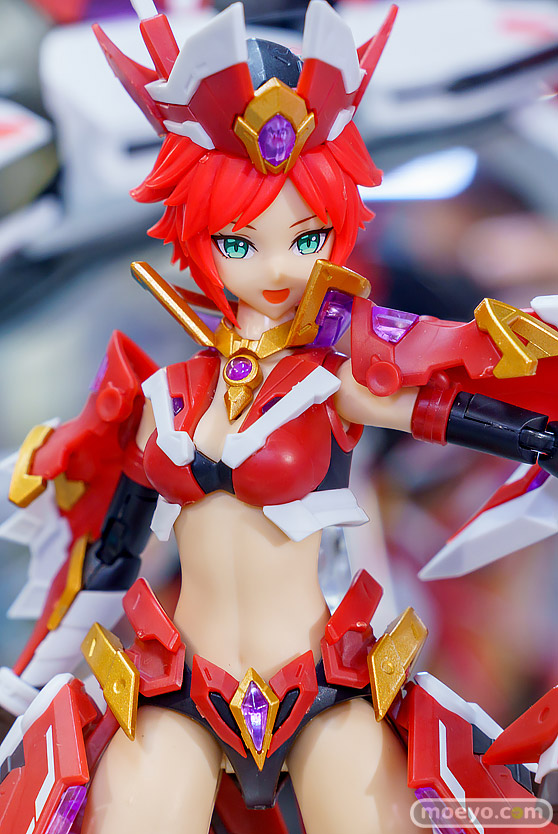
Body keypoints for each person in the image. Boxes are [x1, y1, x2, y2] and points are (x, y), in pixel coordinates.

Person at [4, 3, 558, 833]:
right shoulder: (157, 397)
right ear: (196, 238)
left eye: (305, 239)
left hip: (322, 688)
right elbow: (106, 560)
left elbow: (453, 408)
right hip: (178, 688)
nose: (275, 268)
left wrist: (539, 435)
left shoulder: (338, 378)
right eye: (240, 243)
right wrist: (30, 686)